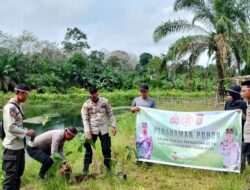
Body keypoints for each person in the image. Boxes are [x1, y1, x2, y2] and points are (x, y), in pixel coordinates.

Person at [2, 83, 36, 190]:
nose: (27, 97)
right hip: (12, 148)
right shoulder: (10, 107)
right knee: (10, 178)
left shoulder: (18, 106)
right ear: (21, 93)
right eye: (27, 94)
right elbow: (10, 127)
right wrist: (26, 133)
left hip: (19, 147)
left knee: (18, 175)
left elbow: (18, 125)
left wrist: (25, 132)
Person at [81, 86, 116, 173]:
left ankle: (108, 168)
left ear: (97, 94)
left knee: (106, 149)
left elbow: (110, 114)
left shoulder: (105, 101)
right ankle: (85, 169)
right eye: (90, 97)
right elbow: (85, 119)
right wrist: (87, 133)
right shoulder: (86, 105)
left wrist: (113, 126)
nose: (92, 98)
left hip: (103, 129)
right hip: (92, 130)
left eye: (94, 97)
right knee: (88, 150)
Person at [241, 80, 250, 166]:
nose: (242, 93)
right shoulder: (248, 104)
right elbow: (247, 119)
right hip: (247, 138)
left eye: (244, 91)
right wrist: (241, 114)